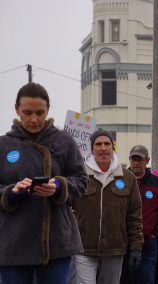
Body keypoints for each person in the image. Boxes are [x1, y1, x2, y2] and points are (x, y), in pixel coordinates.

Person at [0, 82, 88, 284]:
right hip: (13, 242)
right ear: (17, 110)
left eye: (40, 112)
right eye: (27, 112)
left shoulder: (64, 141)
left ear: (48, 110)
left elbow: (82, 181)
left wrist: (58, 186)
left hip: (56, 242)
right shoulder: (3, 145)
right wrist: (12, 192)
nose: (33, 119)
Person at [71, 130, 143, 284]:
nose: (103, 148)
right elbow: (68, 210)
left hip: (114, 249)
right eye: (98, 144)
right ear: (92, 149)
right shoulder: (79, 175)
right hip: (83, 248)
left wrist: (136, 247)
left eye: (107, 144)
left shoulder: (128, 178)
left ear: (113, 147)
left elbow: (134, 216)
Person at [120, 145, 158, 284]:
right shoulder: (119, 179)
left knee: (146, 280)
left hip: (148, 243)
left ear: (147, 160)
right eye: (133, 159)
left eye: (139, 159)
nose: (135, 163)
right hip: (122, 241)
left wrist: (155, 233)